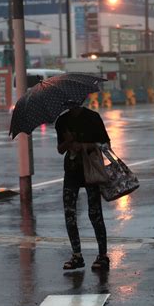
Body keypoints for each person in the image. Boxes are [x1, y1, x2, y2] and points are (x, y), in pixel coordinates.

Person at [55, 105, 110, 271]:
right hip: (71, 171)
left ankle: (102, 255)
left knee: (94, 213)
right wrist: (68, 142)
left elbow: (105, 144)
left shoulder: (93, 117)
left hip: (90, 170)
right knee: (69, 213)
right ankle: (77, 255)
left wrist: (84, 146)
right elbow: (60, 149)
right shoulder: (62, 121)